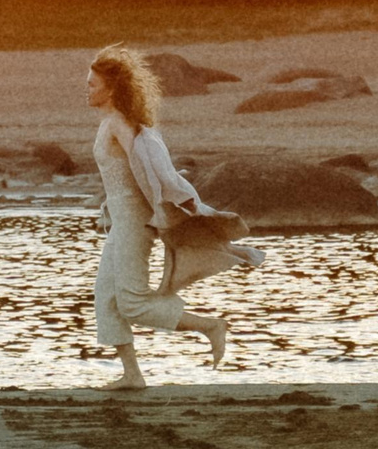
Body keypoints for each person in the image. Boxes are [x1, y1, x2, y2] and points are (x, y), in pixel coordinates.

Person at [86, 43, 260, 389]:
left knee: (132, 302)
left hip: (135, 223)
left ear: (111, 89)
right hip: (121, 221)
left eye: (92, 84)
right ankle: (132, 375)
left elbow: (146, 165)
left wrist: (165, 209)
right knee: (106, 296)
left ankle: (210, 326)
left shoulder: (120, 124)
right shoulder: (110, 122)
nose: (87, 89)